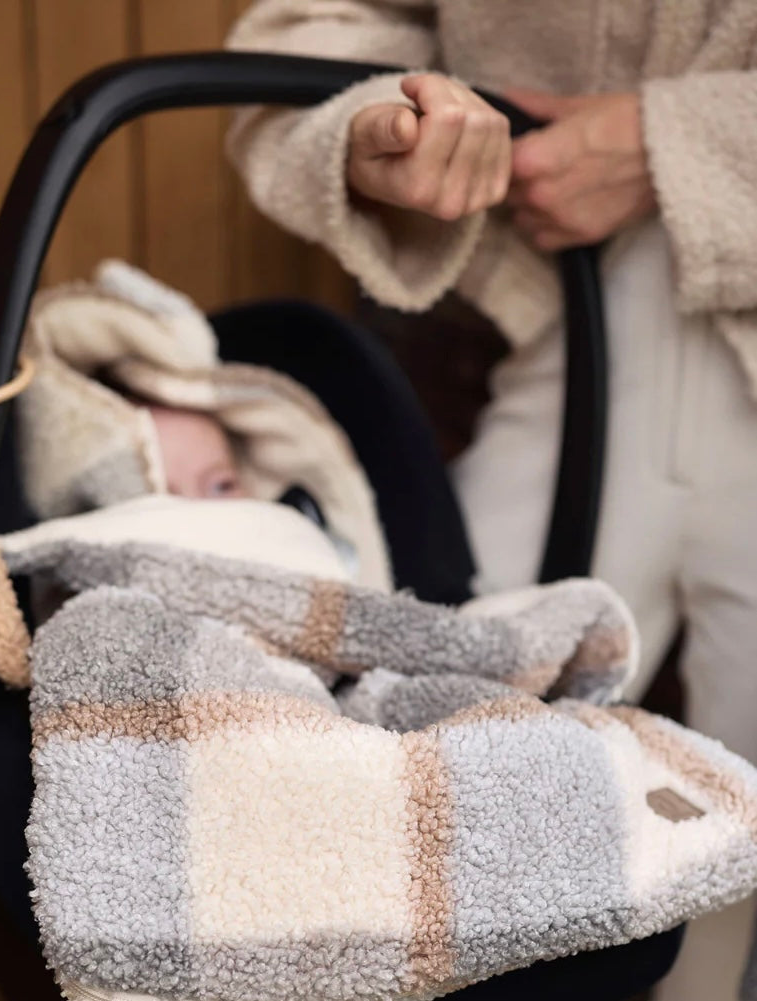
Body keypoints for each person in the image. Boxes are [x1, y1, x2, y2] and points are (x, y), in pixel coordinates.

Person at [224, 3, 757, 999]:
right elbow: (314, 30)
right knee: (417, 786)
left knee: (730, 889)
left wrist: (674, 142)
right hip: (570, 331)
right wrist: (382, 129)